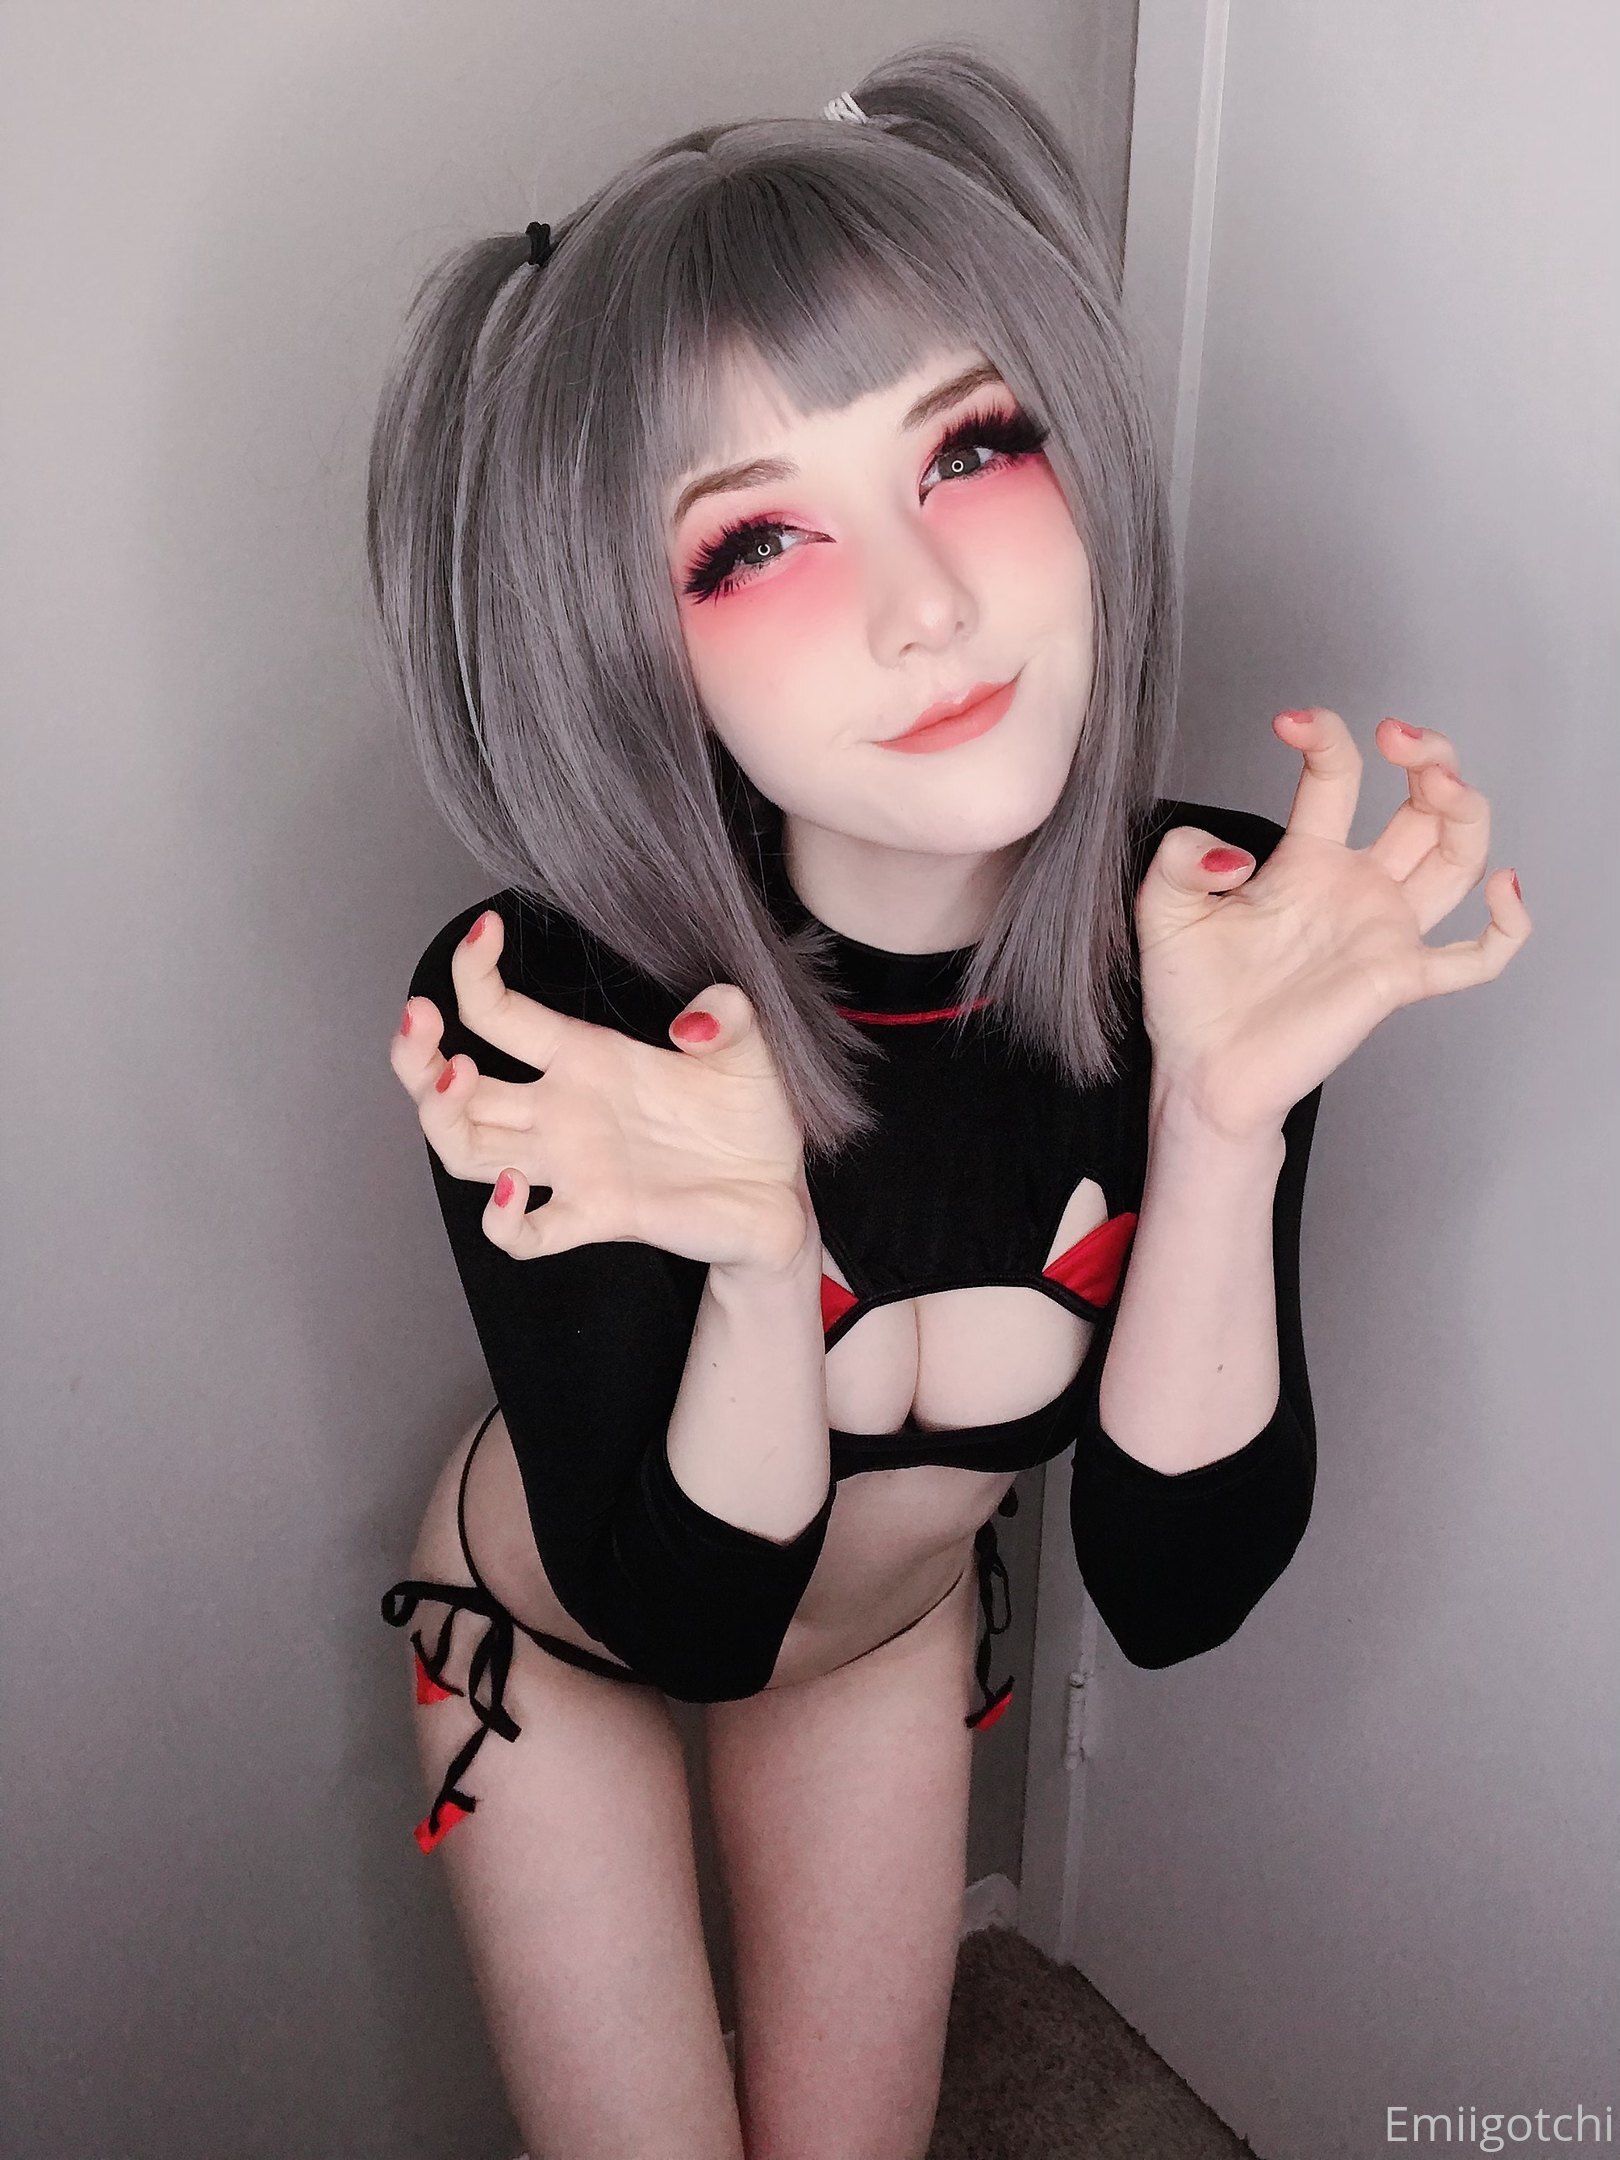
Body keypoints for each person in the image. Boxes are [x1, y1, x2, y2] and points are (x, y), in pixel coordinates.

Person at [364, 41, 1529, 2160]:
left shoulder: (1210, 934)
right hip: (575, 1628)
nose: (927, 608)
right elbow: (684, 1617)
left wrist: (1225, 1120)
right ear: (625, 638)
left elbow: (1174, 1591)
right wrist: (749, 1257)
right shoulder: (560, 1009)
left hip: (882, 1633)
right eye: (753, 544)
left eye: (971, 446)